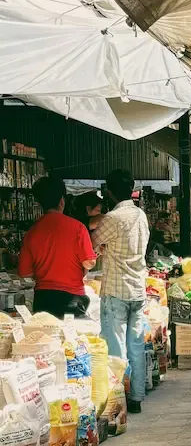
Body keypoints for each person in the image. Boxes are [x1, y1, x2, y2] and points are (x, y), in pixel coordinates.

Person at [92, 170, 150, 414]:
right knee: (136, 346)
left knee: (116, 350)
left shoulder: (112, 218)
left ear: (109, 192)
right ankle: (136, 397)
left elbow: (93, 242)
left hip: (116, 290)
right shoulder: (140, 215)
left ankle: (119, 401)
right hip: (138, 288)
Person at [17, 176, 96, 317]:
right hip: (72, 298)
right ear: (62, 201)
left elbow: (25, 273)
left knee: (44, 331)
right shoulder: (78, 228)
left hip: (43, 299)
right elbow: (89, 262)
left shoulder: (32, 232)